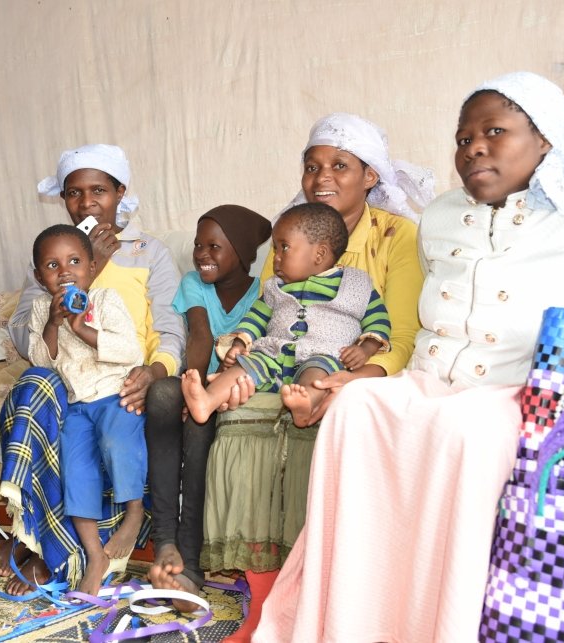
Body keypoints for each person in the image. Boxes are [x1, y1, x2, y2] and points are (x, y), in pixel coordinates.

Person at [253, 71, 564, 642]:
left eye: (495, 132)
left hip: (514, 391)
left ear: (546, 140)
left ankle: (446, 624)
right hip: (429, 381)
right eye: (464, 138)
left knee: (469, 429)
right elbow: (410, 323)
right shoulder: (437, 217)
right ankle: (355, 622)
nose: (474, 148)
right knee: (356, 410)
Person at [201, 113, 433, 642]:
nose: (321, 177)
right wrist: (238, 363)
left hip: (356, 372)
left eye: (339, 166)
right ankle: (264, 608)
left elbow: (399, 335)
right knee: (240, 418)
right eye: (312, 166)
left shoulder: (399, 236)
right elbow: (265, 314)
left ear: (371, 175)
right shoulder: (290, 231)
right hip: (281, 367)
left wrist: (357, 376)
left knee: (327, 425)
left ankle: (323, 608)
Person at [0, 144, 185, 594]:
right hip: (63, 382)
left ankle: (41, 546)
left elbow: (171, 328)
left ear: (120, 192)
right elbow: (25, 336)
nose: (87, 202)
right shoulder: (56, 253)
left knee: (102, 430)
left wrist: (153, 372)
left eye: (99, 190)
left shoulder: (149, 252)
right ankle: (34, 539)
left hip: (123, 378)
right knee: (39, 385)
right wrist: (85, 263)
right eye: (75, 193)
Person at [146, 204, 271, 611]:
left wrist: (205, 397)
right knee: (162, 395)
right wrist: (192, 384)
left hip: (236, 388)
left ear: (244, 251)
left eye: (215, 247)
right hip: (197, 380)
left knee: (201, 425)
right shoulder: (194, 283)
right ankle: (164, 540)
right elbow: (199, 336)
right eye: (199, 245)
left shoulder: (266, 290)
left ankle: (191, 564)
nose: (202, 254)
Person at [182, 203, 391, 427]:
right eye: (275, 249)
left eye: (284, 248)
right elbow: (256, 318)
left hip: (322, 354)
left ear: (319, 254)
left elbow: (379, 321)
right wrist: (240, 343)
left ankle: (306, 405)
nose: (276, 258)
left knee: (318, 375)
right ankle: (207, 400)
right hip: (273, 353)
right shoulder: (274, 287)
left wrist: (365, 349)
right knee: (244, 367)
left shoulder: (356, 285)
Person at [28, 223, 147, 596]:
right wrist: (54, 322)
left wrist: (82, 329)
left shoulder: (107, 300)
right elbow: (40, 364)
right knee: (74, 466)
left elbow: (131, 351)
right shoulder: (40, 310)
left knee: (116, 441)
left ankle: (134, 512)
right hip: (77, 405)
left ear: (92, 265)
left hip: (116, 395)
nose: (65, 272)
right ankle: (94, 555)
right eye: (52, 265)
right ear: (39, 276)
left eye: (75, 261)